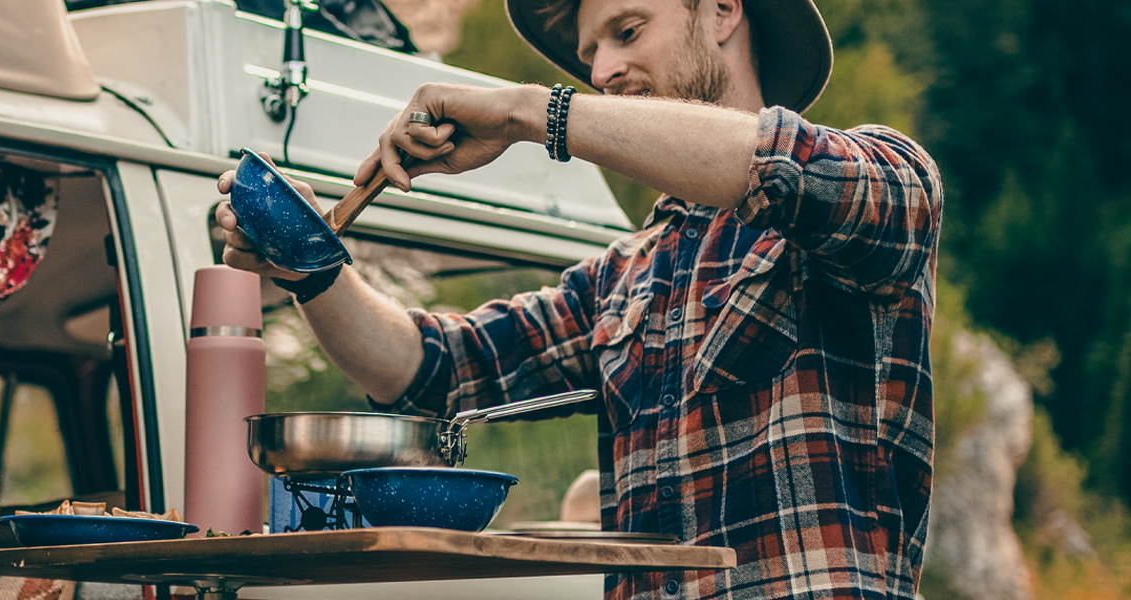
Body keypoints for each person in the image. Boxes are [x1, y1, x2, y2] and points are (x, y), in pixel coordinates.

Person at [216, 0, 941, 597]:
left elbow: (782, 166)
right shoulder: (623, 276)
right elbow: (428, 370)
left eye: (626, 32)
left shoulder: (882, 180)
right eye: (589, 54)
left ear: (722, 10)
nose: (600, 71)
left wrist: (535, 114)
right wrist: (306, 262)